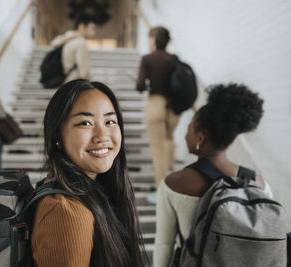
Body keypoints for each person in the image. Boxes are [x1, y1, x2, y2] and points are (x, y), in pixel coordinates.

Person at [153, 84, 273, 267]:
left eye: (189, 129)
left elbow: (164, 243)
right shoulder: (260, 184)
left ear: (200, 138)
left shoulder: (173, 184)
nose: (186, 135)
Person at [31, 79, 148, 267]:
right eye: (85, 123)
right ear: (57, 136)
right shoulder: (67, 212)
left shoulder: (94, 191)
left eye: (110, 121)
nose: (102, 136)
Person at [136, 26, 180, 202]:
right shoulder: (174, 59)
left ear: (154, 39)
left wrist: (145, 84)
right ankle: (173, 180)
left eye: (149, 38)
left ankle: (162, 193)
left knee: (158, 149)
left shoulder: (147, 59)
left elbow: (140, 85)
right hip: (173, 108)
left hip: (155, 104)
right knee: (169, 140)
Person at [50, 13, 96, 82]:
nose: (94, 32)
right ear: (81, 26)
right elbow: (84, 72)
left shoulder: (66, 40)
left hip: (61, 81)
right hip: (72, 84)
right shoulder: (80, 43)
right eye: (92, 28)